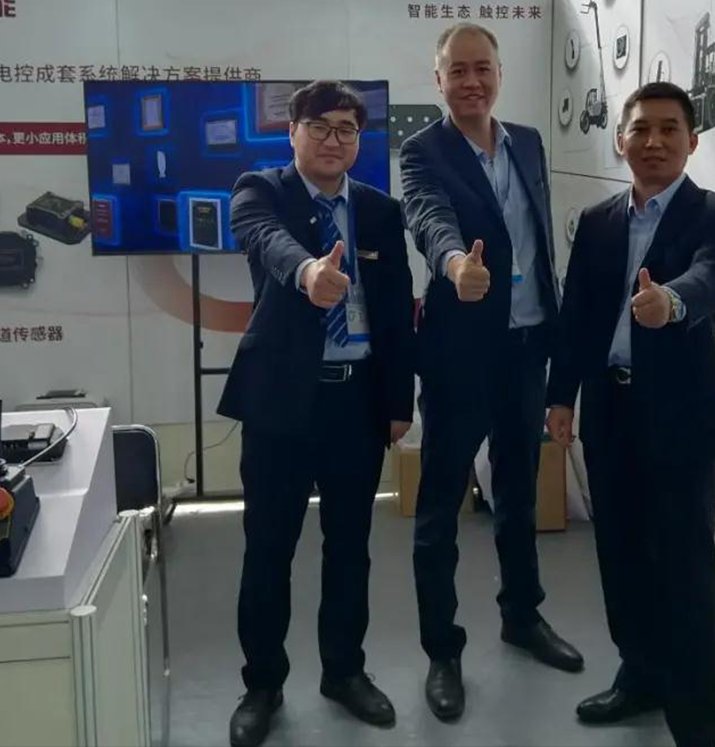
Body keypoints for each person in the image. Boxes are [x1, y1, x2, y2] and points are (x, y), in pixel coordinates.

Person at [545, 81, 715, 747]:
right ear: (620, 139)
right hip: (610, 411)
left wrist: (672, 301)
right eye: (641, 129)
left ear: (692, 141)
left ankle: (694, 724)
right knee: (621, 558)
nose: (654, 141)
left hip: (679, 420)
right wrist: (560, 396)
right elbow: (577, 314)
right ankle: (639, 677)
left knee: (685, 575)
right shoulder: (599, 220)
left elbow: (713, 275)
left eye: (669, 129)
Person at [217, 80, 415, 747]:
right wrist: (307, 273)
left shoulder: (380, 211)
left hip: (355, 400)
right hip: (280, 400)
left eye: (347, 129)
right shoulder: (260, 189)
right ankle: (262, 685)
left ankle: (344, 672)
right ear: (292, 132)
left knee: (350, 547)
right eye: (321, 127)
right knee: (268, 548)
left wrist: (398, 402)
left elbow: (396, 310)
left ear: (359, 140)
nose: (334, 140)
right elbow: (265, 239)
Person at [400, 22, 583, 722]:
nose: (471, 81)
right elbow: (428, 217)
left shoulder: (528, 143)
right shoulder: (422, 150)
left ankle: (521, 616)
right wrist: (455, 265)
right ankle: (442, 650)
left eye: (482, 68)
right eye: (458, 70)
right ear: (438, 79)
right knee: (440, 504)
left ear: (499, 74)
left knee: (518, 491)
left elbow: (536, 238)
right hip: (460, 354)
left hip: (527, 347)